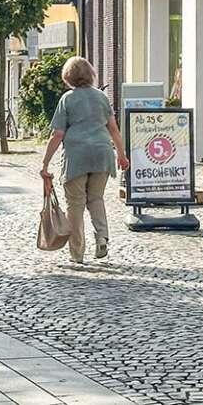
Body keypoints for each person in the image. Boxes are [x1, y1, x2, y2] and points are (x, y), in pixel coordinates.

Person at [40, 57, 129, 264]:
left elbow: (57, 134)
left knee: (75, 204)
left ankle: (77, 252)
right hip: (102, 153)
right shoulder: (101, 97)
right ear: (90, 74)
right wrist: (122, 155)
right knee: (96, 199)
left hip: (76, 156)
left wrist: (45, 163)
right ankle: (102, 237)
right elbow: (113, 128)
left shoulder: (67, 99)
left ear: (68, 77)